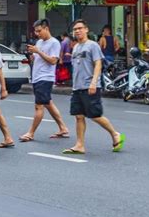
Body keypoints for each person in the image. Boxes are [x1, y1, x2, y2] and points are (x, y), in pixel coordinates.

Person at [63, 18, 125, 155]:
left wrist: (93, 82)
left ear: (86, 30)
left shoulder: (92, 45)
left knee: (95, 115)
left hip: (90, 85)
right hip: (77, 87)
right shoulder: (76, 48)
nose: (77, 31)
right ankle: (80, 145)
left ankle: (115, 134)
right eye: (75, 29)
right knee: (78, 116)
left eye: (80, 28)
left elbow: (98, 64)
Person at [19, 19, 69, 142]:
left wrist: (38, 51)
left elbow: (53, 61)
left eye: (39, 31)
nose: (37, 33)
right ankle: (63, 128)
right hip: (36, 77)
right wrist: (31, 55)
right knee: (48, 103)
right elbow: (36, 60)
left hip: (45, 78)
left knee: (39, 106)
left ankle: (31, 133)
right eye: (36, 31)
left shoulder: (54, 43)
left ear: (46, 28)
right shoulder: (39, 42)